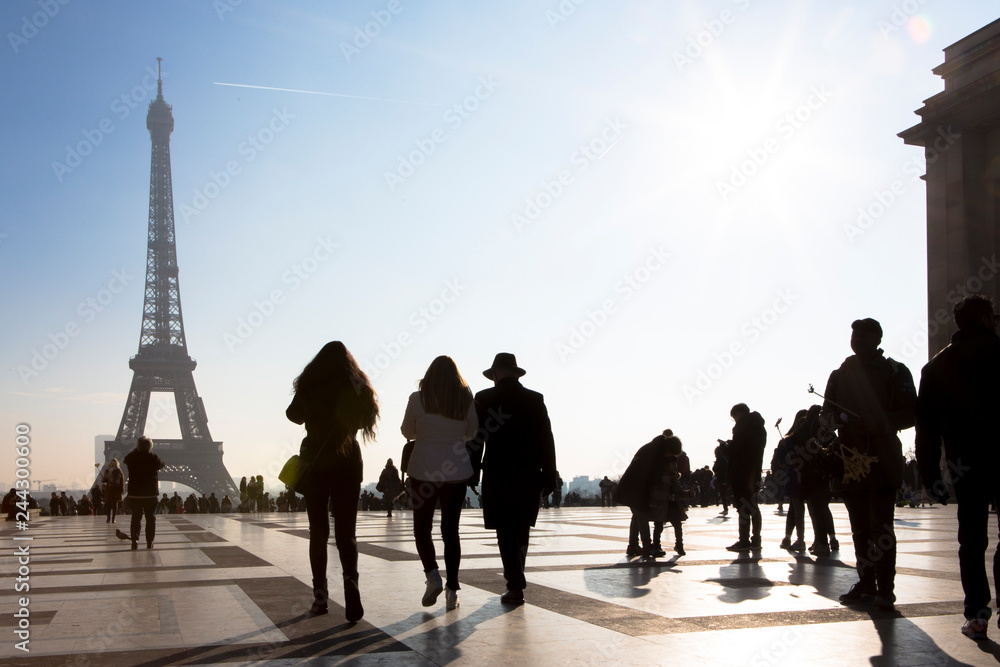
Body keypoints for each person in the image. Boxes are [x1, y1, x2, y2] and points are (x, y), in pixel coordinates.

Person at [915, 295, 1000, 640]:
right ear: (983, 318)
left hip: (966, 464)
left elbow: (927, 430)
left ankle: (977, 615)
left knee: (972, 541)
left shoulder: (937, 367)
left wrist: (930, 476)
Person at [822, 318, 916, 609]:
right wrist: (836, 421)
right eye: (854, 336)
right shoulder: (839, 375)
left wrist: (876, 423)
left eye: (863, 336)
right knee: (860, 528)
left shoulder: (894, 371)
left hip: (883, 460)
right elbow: (825, 417)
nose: (857, 340)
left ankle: (885, 588)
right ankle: (866, 582)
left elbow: (912, 413)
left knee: (882, 528)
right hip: (850, 462)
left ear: (877, 339)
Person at [286, 341, 378, 623]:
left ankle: (320, 598)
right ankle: (352, 592)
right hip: (348, 463)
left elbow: (293, 415)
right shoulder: (355, 383)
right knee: (346, 534)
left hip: (316, 463)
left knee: (318, 532)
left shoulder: (311, 383)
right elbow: (366, 418)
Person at [475, 353, 557, 605]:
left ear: (495, 374)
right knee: (521, 528)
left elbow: (476, 439)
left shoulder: (484, 398)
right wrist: (550, 474)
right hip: (529, 473)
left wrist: (471, 471)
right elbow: (547, 439)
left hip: (497, 472)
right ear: (515, 372)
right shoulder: (534, 399)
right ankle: (516, 579)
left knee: (504, 530)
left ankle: (515, 585)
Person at [401, 355, 479, 610]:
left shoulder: (417, 398)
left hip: (422, 469)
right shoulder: (465, 399)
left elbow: (407, 431)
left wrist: (424, 432)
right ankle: (453, 589)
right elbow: (472, 432)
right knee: (450, 531)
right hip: (455, 471)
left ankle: (432, 575)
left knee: (422, 528)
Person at [725, 404, 767, 551]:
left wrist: (727, 447)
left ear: (739, 414)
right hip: (754, 471)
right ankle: (756, 540)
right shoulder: (759, 428)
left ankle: (743, 541)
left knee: (743, 507)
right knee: (753, 506)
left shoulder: (742, 428)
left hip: (741, 472)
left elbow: (737, 450)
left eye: (734, 417)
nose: (734, 420)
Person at [122, 436, 166, 550]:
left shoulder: (132, 457)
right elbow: (161, 464)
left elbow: (126, 459)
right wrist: (150, 452)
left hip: (135, 494)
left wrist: (136, 450)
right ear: (150, 446)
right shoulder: (152, 457)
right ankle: (149, 542)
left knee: (136, 518)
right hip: (150, 494)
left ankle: (134, 541)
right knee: (151, 519)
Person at [103, 459, 125, 524]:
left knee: (115, 503)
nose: (112, 464)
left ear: (116, 463)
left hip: (115, 488)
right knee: (108, 504)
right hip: (109, 488)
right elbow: (104, 479)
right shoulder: (108, 470)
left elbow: (122, 480)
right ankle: (108, 518)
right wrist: (106, 472)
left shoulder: (118, 470)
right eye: (111, 463)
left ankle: (113, 518)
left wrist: (121, 488)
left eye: (113, 463)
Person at [713, 440, 730, 516]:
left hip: (721, 478)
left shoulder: (719, 459)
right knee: (729, 493)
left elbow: (715, 468)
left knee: (723, 494)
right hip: (728, 478)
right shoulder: (727, 458)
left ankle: (725, 508)